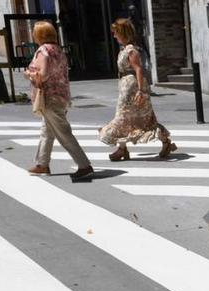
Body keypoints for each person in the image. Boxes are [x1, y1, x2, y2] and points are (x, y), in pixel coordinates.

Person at [25, 21, 94, 179]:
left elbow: (42, 75)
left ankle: (84, 165)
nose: (32, 34)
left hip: (49, 97)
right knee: (46, 132)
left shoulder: (43, 51)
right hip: (61, 96)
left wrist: (29, 74)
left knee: (63, 132)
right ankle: (42, 164)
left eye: (34, 32)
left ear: (40, 35)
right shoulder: (58, 50)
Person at [99, 18, 175, 162]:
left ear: (123, 33)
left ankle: (166, 143)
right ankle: (122, 149)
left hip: (133, 88)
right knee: (126, 119)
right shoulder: (124, 49)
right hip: (125, 87)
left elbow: (139, 70)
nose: (114, 36)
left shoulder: (132, 50)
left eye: (116, 33)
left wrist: (141, 91)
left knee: (142, 119)